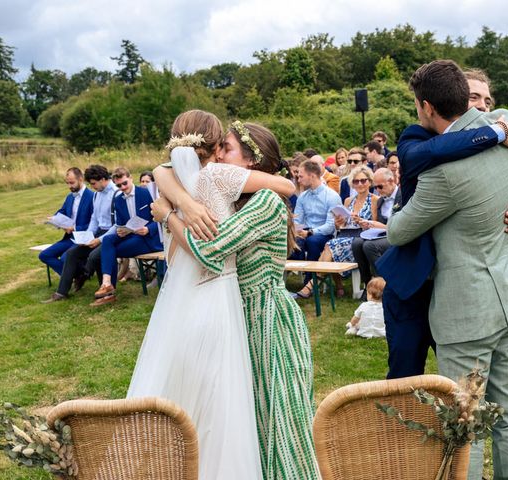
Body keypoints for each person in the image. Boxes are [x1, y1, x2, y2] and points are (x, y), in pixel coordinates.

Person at [128, 110, 297, 479]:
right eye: (218, 146)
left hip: (266, 318)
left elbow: (211, 249)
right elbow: (164, 172)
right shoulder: (211, 186)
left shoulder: (253, 197)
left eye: (229, 148)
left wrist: (170, 213)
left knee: (275, 419)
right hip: (230, 308)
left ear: (252, 161)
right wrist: (180, 202)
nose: (221, 155)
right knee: (224, 411)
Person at [386, 59, 508, 480]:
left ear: (427, 107)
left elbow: (397, 230)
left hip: (468, 312)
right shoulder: (507, 123)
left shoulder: (442, 176)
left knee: (465, 420)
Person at [296, 165, 378, 298]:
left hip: (362, 237)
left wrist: (362, 221)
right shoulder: (348, 200)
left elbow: (375, 225)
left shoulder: (374, 200)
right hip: (345, 235)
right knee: (331, 244)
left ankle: (310, 285)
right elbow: (340, 226)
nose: (360, 184)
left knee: (330, 245)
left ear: (370, 181)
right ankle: (314, 284)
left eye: (363, 180)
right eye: (356, 181)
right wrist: (338, 223)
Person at [42, 165, 116, 303]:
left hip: (112, 235)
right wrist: (88, 235)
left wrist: (99, 240)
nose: (92, 187)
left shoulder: (115, 193)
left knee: (94, 256)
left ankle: (106, 292)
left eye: (93, 183)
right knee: (72, 253)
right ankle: (61, 292)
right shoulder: (98, 194)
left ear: (103, 179)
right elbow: (94, 218)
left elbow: (117, 225)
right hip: (97, 232)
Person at [91, 167, 162, 306]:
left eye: (125, 183)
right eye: (118, 186)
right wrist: (122, 230)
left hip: (147, 239)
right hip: (130, 235)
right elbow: (120, 223)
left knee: (109, 251)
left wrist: (148, 229)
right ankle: (106, 283)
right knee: (107, 240)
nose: (122, 187)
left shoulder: (146, 193)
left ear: (131, 178)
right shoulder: (118, 200)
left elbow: (160, 218)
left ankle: (108, 291)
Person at [288, 159, 342, 286]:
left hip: (324, 235)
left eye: (301, 176)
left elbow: (330, 226)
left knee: (312, 241)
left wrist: (310, 232)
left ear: (312, 176)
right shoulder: (302, 196)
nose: (298, 180)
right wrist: (295, 231)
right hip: (305, 232)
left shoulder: (331, 196)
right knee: (291, 240)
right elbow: (297, 220)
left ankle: (309, 284)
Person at [351, 168, 400, 298]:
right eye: (375, 187)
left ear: (391, 181)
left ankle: (384, 286)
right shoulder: (381, 200)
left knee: (369, 246)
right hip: (383, 234)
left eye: (380, 186)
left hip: (398, 235)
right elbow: (377, 224)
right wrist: (367, 224)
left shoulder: (403, 196)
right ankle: (368, 285)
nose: (377, 190)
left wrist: (382, 226)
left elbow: (404, 225)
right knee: (357, 243)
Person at [39, 167, 94, 277]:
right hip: (69, 238)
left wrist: (75, 228)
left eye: (72, 183)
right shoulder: (70, 197)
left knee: (65, 258)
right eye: (67, 183)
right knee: (44, 255)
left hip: (84, 237)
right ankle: (77, 276)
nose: (69, 186)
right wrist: (54, 219)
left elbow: (95, 223)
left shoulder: (92, 196)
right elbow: (62, 212)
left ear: (81, 179)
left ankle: (74, 276)